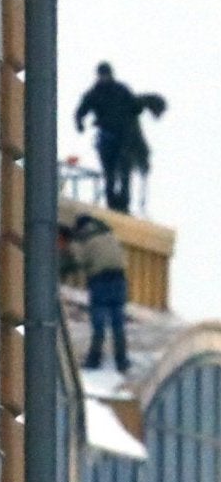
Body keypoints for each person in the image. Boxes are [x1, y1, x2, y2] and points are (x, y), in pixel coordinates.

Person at [75, 63, 165, 212]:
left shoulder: (120, 90)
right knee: (109, 173)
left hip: (123, 139)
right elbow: (81, 111)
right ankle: (112, 203)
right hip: (106, 138)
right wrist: (79, 123)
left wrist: (148, 105)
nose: (104, 78)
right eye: (102, 75)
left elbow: (134, 105)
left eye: (106, 75)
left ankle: (123, 204)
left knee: (124, 171)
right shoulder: (94, 93)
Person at [64, 213, 130, 372]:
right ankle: (121, 361)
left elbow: (79, 261)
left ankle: (94, 360)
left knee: (99, 325)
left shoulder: (84, 239)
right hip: (119, 280)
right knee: (118, 324)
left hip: (100, 282)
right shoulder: (109, 234)